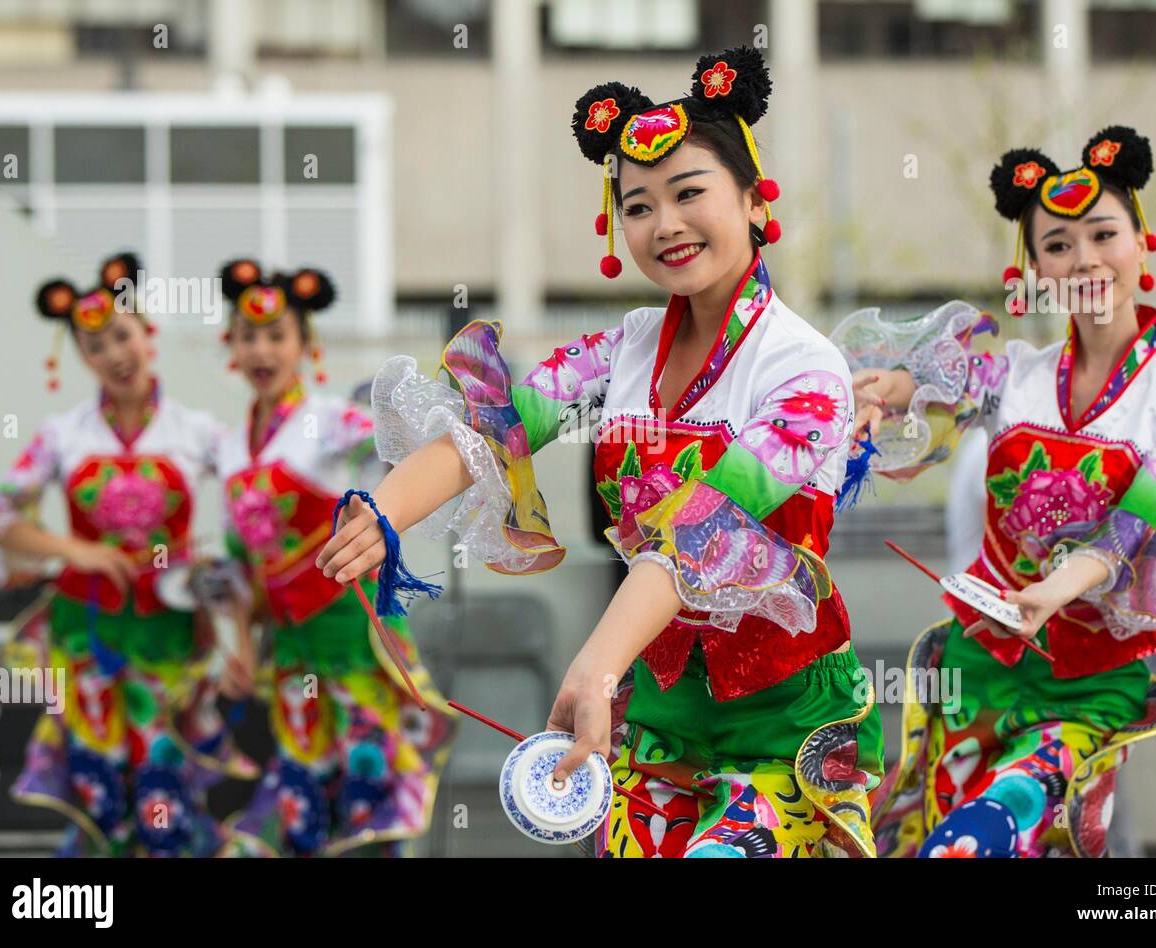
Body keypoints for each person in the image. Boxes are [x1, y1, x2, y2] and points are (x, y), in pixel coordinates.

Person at [317, 46, 890, 858]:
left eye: (690, 194)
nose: (665, 224)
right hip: (655, 722)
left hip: (783, 726)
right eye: (639, 205)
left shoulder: (804, 369)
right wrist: (386, 510)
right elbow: (494, 427)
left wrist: (593, 669)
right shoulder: (623, 349)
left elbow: (703, 532)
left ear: (758, 204)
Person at [847, 127, 1156, 857]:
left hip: (1086, 684)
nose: (1083, 259)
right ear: (1035, 269)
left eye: (1102, 234)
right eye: (1057, 245)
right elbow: (939, 400)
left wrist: (1056, 587)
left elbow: (1134, 528)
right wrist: (889, 390)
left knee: (977, 841)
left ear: (1142, 243)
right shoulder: (1012, 375)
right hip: (977, 670)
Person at [0, 253, 250, 856]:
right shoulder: (63, 434)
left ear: (148, 335)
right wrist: (75, 551)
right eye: (94, 346)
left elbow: (256, 507)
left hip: (168, 638)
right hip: (85, 636)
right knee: (97, 785)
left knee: (164, 784)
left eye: (121, 335)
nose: (114, 354)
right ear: (81, 359)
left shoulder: (197, 432)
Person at [213, 259, 455, 857]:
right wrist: (241, 645)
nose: (262, 350)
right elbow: (242, 568)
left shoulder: (328, 421)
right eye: (248, 336)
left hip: (354, 645)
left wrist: (380, 495)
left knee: (365, 813)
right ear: (231, 346)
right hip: (293, 658)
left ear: (305, 344)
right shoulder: (227, 447)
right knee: (299, 813)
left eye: (276, 335)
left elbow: (409, 446)